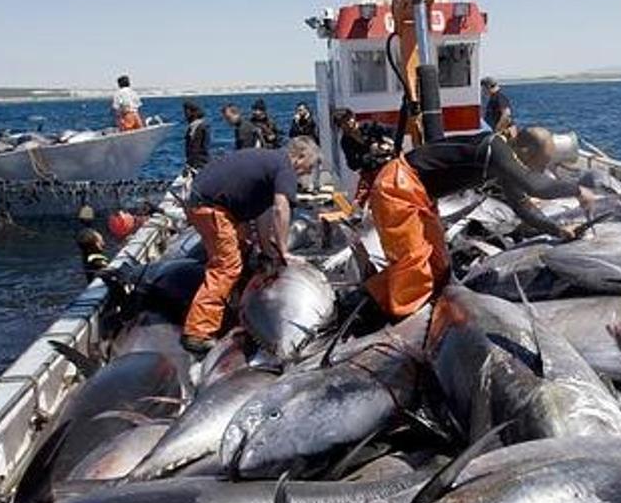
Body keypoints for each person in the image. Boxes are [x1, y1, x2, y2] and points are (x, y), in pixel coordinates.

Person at [340, 117, 594, 321]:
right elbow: (535, 186)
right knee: (414, 268)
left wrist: (558, 230)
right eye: (542, 162)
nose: (542, 169)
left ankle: (380, 295)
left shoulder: (503, 161)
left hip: (418, 194)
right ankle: (373, 312)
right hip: (396, 188)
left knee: (439, 267)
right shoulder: (496, 149)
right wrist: (577, 189)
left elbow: (523, 205)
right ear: (525, 150)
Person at [180, 137, 320, 353]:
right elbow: (280, 209)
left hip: (212, 205)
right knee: (226, 267)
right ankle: (197, 333)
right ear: (300, 156)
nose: (307, 172)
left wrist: (266, 251)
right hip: (211, 208)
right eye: (308, 166)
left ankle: (236, 306)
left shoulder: (270, 164)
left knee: (244, 248)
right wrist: (284, 251)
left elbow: (263, 216)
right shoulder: (284, 167)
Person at [182, 101, 210, 171]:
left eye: (186, 112)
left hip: (198, 163)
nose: (185, 115)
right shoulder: (197, 126)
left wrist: (192, 164)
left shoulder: (198, 127)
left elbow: (196, 147)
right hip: (199, 162)